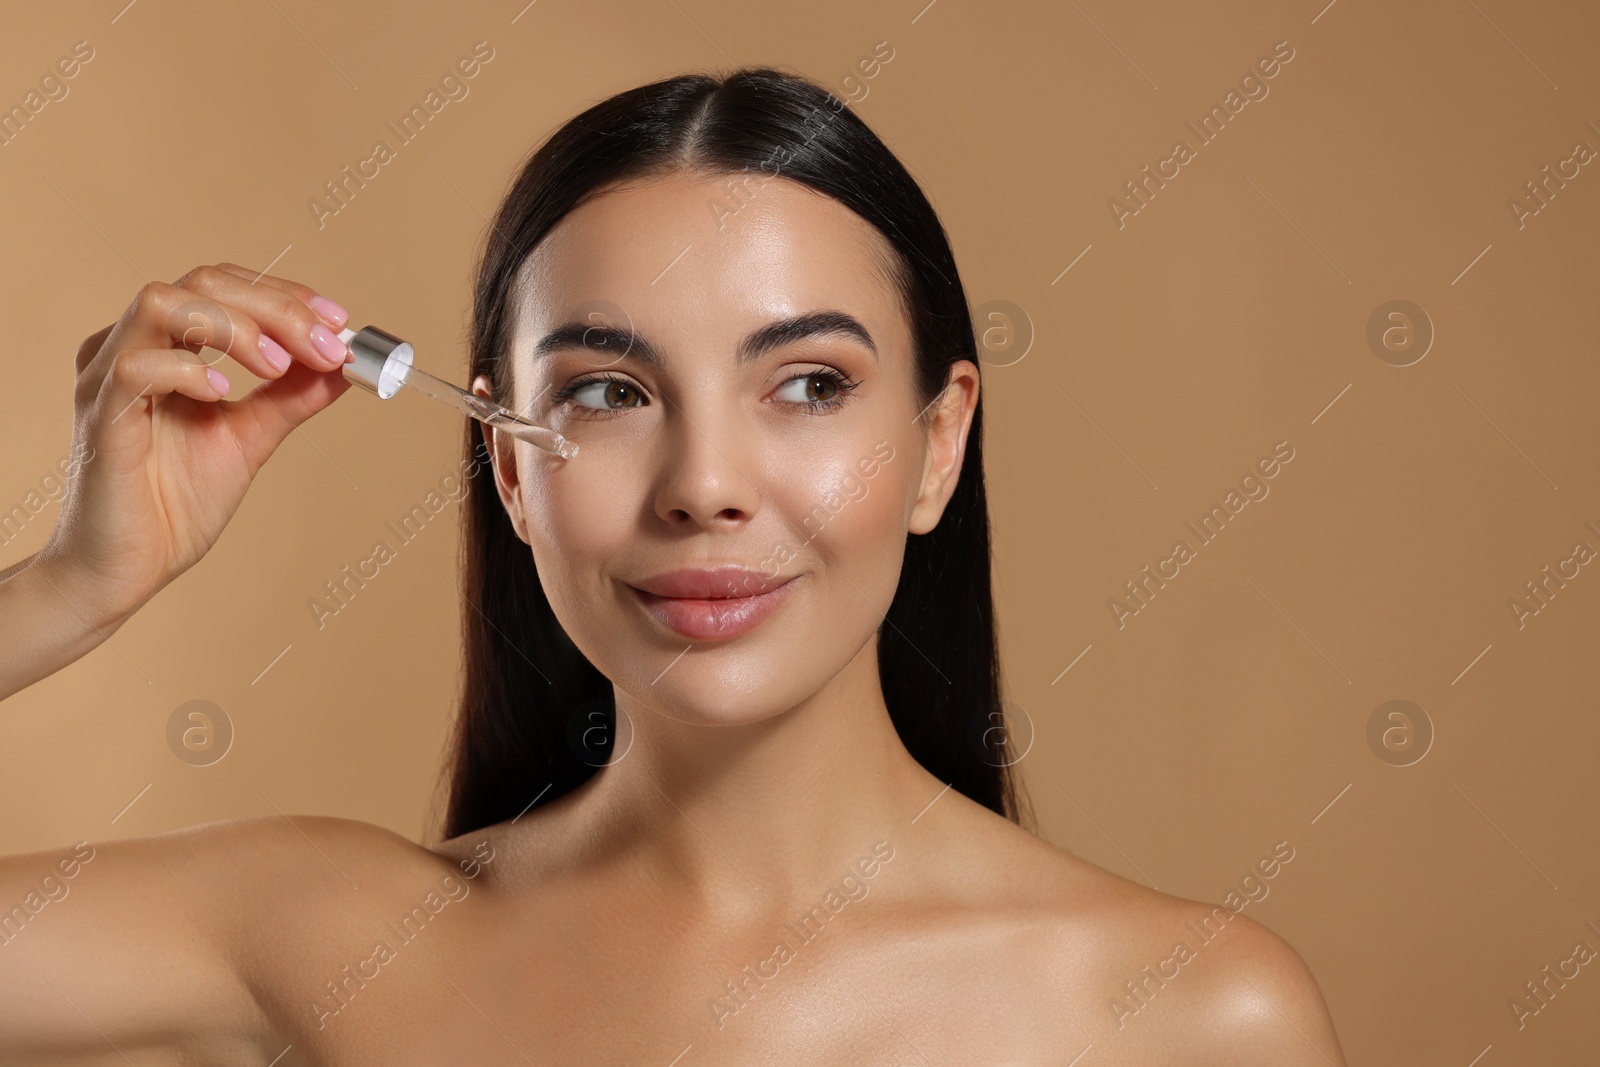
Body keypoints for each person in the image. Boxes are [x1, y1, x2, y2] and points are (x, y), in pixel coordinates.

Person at [0, 67, 1347, 1064]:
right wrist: (73, 589)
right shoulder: (325, 937)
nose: (705, 486)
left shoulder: (1193, 1012)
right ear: (512, 470)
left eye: (810, 385)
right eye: (605, 394)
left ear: (939, 448)